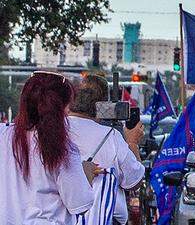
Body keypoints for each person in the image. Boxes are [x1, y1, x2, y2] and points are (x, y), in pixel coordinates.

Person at [0, 71, 101, 225]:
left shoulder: (3, 134)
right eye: (68, 106)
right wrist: (86, 173)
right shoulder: (63, 149)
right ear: (60, 110)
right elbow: (79, 205)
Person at [68, 75, 147, 225]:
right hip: (106, 218)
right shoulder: (111, 137)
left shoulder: (50, 132)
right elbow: (134, 181)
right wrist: (132, 143)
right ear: (103, 106)